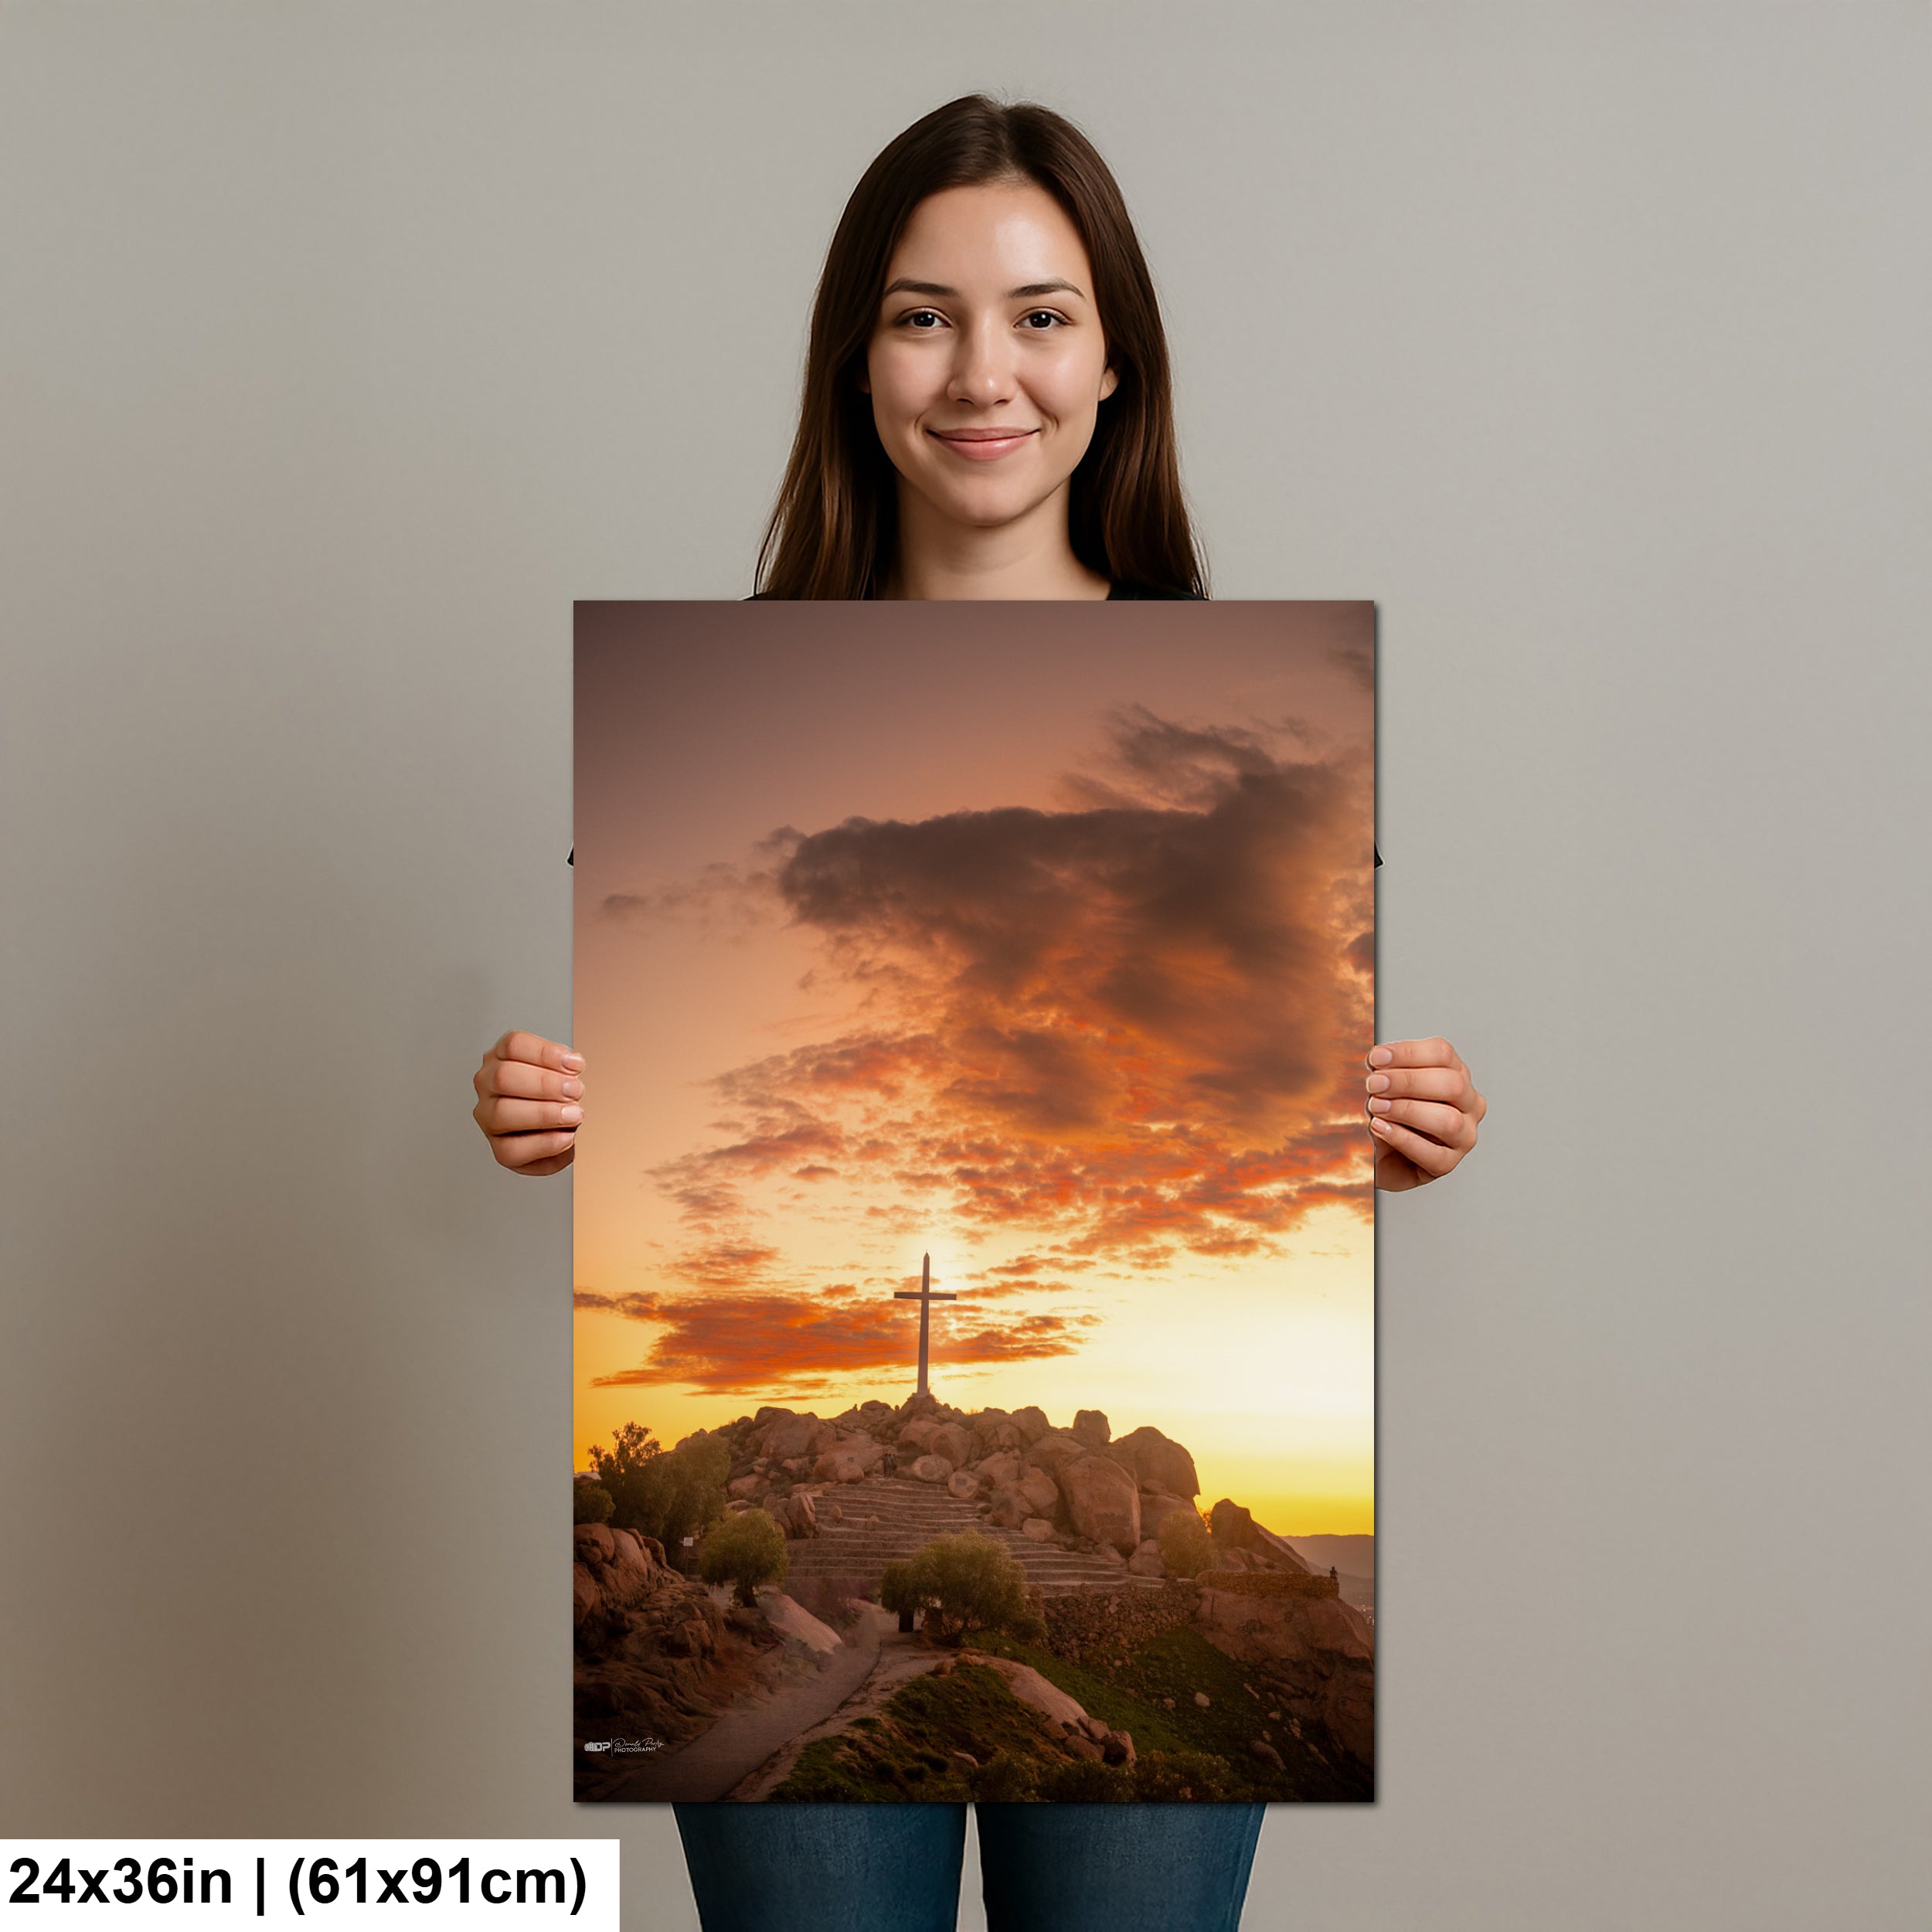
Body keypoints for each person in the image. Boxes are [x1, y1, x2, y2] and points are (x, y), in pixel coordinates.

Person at [472, 94, 1485, 1932]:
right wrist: (547, 1104)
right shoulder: (692, 704)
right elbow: (651, 1070)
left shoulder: (1272, 705)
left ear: (1115, 362)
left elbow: (1265, 1104)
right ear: (855, 356)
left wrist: (1393, 1132)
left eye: (1039, 312)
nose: (980, 372)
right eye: (922, 312)